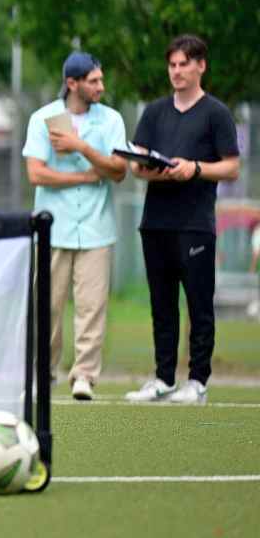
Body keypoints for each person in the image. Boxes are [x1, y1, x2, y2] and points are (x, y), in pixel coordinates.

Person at [125, 34, 240, 405]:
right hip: (155, 222)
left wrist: (193, 169)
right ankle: (163, 378)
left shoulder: (217, 113)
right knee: (161, 305)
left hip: (195, 224)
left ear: (200, 66)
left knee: (198, 304)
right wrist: (156, 171)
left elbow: (232, 167)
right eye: (172, 65)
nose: (176, 71)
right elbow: (136, 164)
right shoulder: (155, 112)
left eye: (183, 64)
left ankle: (198, 382)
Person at [22, 52, 128, 401]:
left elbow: (118, 170)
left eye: (101, 79)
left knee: (91, 307)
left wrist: (80, 146)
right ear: (72, 83)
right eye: (94, 81)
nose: (102, 86)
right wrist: (84, 175)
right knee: (47, 306)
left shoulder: (111, 120)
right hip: (53, 229)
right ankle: (44, 373)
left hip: (97, 229)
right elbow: (36, 173)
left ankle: (84, 376)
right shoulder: (44, 119)